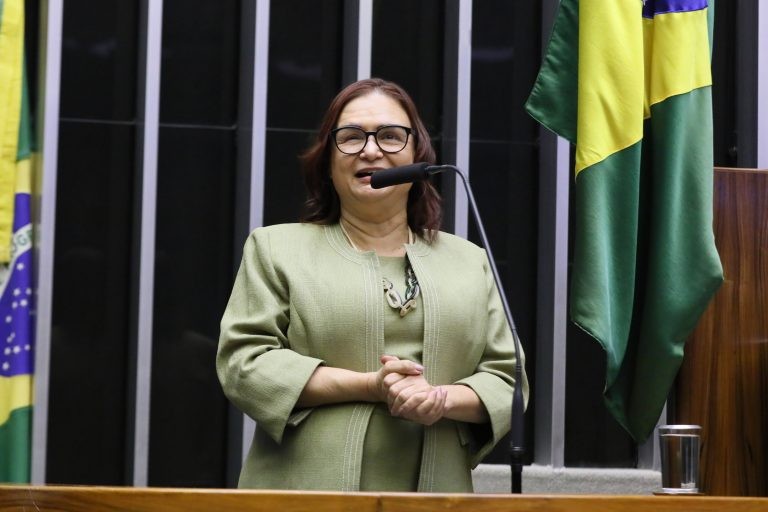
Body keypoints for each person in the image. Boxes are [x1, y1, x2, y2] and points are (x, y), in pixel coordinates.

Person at [217, 78, 528, 492]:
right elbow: (245, 363)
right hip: (303, 492)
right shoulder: (276, 248)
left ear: (419, 155)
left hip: (439, 495)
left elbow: (509, 381)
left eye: (390, 136)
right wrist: (369, 386)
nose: (370, 149)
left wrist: (439, 400)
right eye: (350, 137)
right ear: (328, 159)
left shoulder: (468, 260)